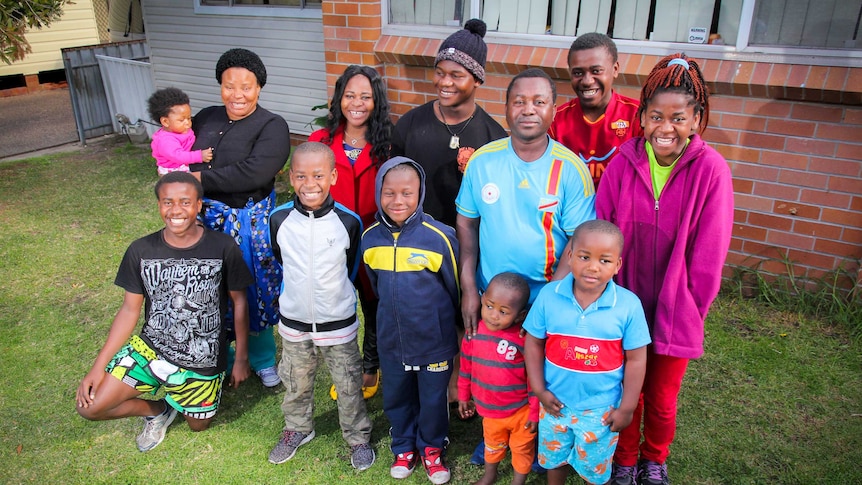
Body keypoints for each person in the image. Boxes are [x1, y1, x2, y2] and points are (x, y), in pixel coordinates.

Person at [595, 54, 734, 485]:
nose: (665, 128)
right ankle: (625, 459)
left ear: (696, 119)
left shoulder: (711, 171)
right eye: (656, 116)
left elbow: (710, 253)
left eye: (678, 117)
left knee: (660, 398)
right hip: (625, 302)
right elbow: (603, 228)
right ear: (642, 118)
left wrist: (691, 305)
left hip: (677, 306)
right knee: (626, 391)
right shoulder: (623, 162)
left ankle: (654, 460)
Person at [75, 172, 253, 451]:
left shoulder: (222, 247)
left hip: (201, 357)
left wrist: (241, 358)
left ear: (198, 206)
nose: (176, 210)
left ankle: (188, 392)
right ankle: (158, 409)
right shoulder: (141, 249)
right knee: (91, 406)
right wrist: (97, 368)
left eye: (185, 202)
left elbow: (239, 302)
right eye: (167, 202)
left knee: (198, 425)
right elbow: (129, 310)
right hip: (151, 348)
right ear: (159, 205)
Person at [266, 142, 375, 470]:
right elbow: (280, 260)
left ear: (333, 176)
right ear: (289, 178)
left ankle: (357, 435)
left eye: (317, 175)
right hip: (294, 322)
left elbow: (351, 266)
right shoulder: (279, 219)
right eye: (301, 176)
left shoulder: (349, 222)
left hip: (338, 322)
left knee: (348, 382)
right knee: (295, 380)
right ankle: (297, 427)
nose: (309, 184)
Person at [189, 48, 291, 388]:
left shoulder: (272, 125)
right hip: (203, 222)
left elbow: (254, 173)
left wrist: (200, 179)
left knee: (250, 288)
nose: (237, 95)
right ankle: (220, 357)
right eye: (229, 86)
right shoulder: (205, 117)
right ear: (220, 86)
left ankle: (261, 360)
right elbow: (182, 154)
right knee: (208, 292)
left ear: (259, 87)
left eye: (246, 86)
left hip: (248, 225)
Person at [523, 220, 651, 485]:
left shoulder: (628, 306)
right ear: (570, 257)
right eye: (584, 257)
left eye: (605, 261)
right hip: (554, 403)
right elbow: (533, 342)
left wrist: (627, 408)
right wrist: (539, 389)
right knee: (554, 459)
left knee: (594, 468)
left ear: (617, 265)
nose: (593, 267)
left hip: (601, 409)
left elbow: (636, 359)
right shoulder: (549, 296)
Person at [362, 157, 460, 484]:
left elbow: (455, 286)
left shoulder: (440, 237)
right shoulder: (370, 239)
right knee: (397, 396)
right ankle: (404, 445)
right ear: (379, 193)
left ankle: (432, 447)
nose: (398, 201)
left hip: (434, 339)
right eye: (389, 193)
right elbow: (376, 287)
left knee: (433, 398)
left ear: (420, 193)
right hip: (393, 340)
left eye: (407, 193)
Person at [309, 65, 393, 400]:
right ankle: (345, 368)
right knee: (337, 308)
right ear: (339, 98)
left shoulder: (387, 142)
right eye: (349, 95)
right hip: (331, 240)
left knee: (373, 306)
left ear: (377, 102)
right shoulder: (322, 141)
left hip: (375, 239)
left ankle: (370, 366)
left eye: (366, 96)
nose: (356, 103)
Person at [457, 272, 538, 485]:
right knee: (492, 444)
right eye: (490, 306)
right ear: (483, 300)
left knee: (522, 448)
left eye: (504, 312)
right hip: (490, 411)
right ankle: (489, 475)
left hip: (521, 411)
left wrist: (535, 410)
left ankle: (518, 482)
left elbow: (534, 377)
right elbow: (466, 367)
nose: (494, 315)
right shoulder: (473, 333)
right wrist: (463, 395)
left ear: (519, 316)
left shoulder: (523, 338)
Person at [548, 33, 641, 189]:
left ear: (615, 69)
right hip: (572, 210)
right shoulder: (555, 120)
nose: (587, 81)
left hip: (621, 210)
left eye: (596, 71)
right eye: (578, 73)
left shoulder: (638, 115)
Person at [147, 87, 213, 175]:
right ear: (165, 122)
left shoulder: (180, 130)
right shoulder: (166, 140)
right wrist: (199, 156)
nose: (187, 123)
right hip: (173, 171)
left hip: (183, 165)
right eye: (181, 120)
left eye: (189, 118)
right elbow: (179, 156)